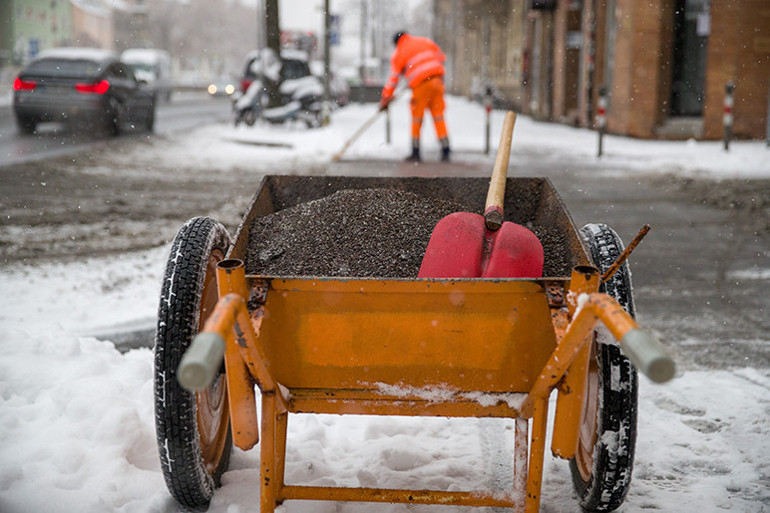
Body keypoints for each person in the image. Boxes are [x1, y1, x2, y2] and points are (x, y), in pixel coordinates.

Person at [379, 31, 451, 162]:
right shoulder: (424, 41)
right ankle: (446, 149)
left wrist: (385, 99)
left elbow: (393, 79)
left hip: (421, 86)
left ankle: (415, 151)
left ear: (396, 42)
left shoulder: (399, 53)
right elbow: (441, 57)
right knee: (438, 116)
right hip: (437, 82)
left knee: (417, 118)